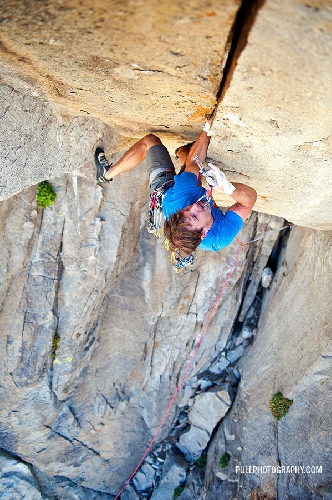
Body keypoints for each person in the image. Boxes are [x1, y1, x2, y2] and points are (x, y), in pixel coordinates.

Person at [94, 121, 257, 268]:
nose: (194, 207)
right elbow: (249, 201)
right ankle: (182, 151)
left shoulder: (183, 201)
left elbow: (194, 163)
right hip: (183, 199)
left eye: (188, 211)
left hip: (165, 190)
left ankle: (106, 174)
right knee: (191, 174)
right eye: (194, 216)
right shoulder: (220, 237)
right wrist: (228, 189)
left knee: (150, 141)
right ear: (204, 232)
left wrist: (208, 128)